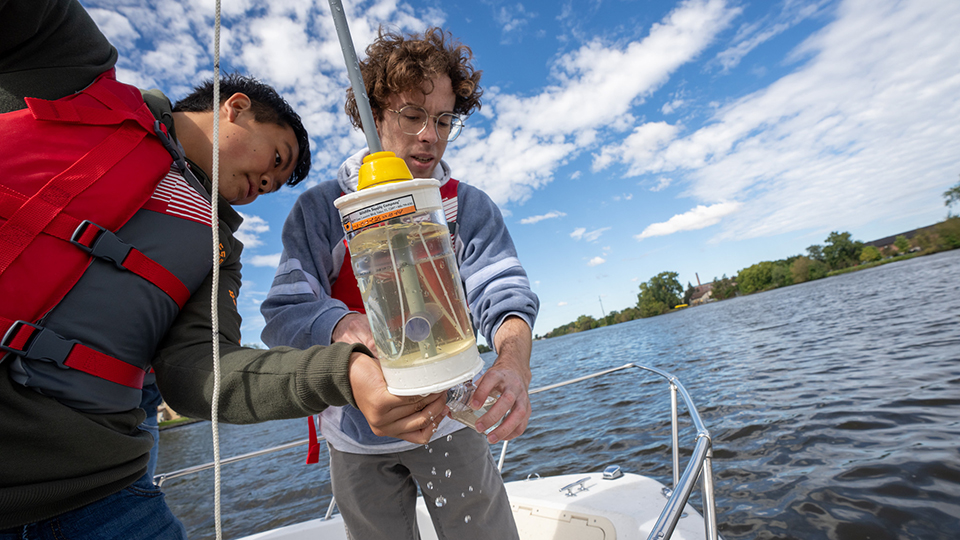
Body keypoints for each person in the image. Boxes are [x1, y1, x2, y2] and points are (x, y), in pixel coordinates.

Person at [0, 1, 446, 537]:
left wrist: (346, 372)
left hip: (99, 491)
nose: (264, 187)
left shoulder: (219, 255)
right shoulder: (76, 77)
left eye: (274, 188)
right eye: (275, 161)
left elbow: (200, 373)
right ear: (235, 107)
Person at [261, 27, 539, 540]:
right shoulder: (322, 211)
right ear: (373, 115)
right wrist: (348, 328)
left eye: (443, 120)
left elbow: (502, 292)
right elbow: (285, 310)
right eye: (412, 116)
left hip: (454, 422)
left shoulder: (467, 207)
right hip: (354, 438)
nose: (430, 135)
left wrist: (513, 361)